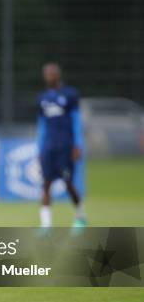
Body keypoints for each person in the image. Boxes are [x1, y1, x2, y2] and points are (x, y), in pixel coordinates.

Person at [37, 62, 87, 230]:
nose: (49, 76)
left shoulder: (70, 95)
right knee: (46, 183)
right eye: (47, 74)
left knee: (68, 183)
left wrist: (78, 144)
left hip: (65, 147)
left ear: (58, 75)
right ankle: (46, 224)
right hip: (49, 148)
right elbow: (42, 126)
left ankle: (80, 216)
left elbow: (76, 121)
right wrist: (40, 148)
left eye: (52, 74)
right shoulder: (43, 99)